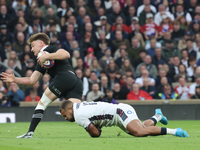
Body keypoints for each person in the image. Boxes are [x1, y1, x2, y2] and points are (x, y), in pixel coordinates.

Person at [1, 33, 83, 138]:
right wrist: (15, 79)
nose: (31, 49)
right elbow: (31, 80)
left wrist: (47, 56)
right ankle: (96, 124)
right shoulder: (41, 61)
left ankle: (29, 133)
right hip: (76, 82)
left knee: (42, 104)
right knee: (76, 112)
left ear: (41, 43)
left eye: (33, 46)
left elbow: (66, 54)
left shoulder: (50, 48)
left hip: (64, 78)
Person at [59, 100, 189, 138]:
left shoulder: (78, 115)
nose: (65, 118)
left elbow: (95, 133)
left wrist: (95, 129)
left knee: (139, 132)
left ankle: (174, 131)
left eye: (65, 115)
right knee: (142, 128)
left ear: (70, 109)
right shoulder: (79, 106)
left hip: (119, 112)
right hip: (118, 115)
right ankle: (158, 116)